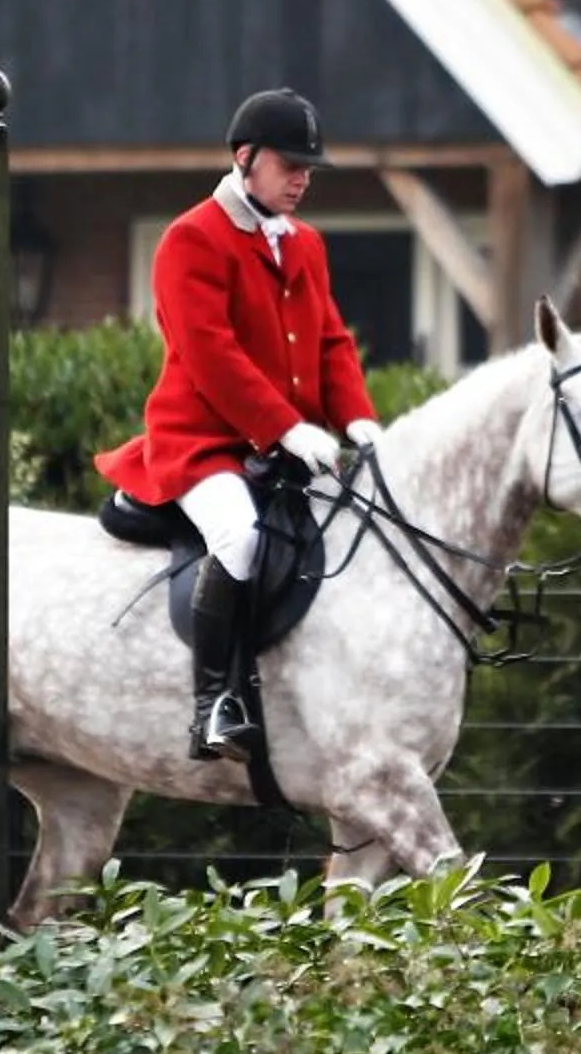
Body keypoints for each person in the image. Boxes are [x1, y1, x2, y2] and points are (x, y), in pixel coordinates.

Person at [98, 88, 382, 761]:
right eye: (291, 164)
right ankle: (214, 707)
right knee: (240, 537)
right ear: (246, 158)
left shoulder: (305, 245)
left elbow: (331, 344)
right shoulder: (190, 238)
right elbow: (210, 354)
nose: (303, 177)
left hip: (284, 446)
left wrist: (360, 420)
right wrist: (286, 427)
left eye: (309, 167)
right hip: (201, 443)